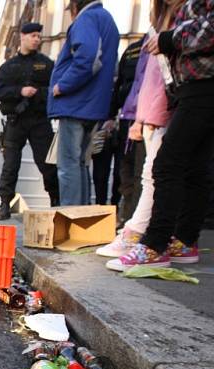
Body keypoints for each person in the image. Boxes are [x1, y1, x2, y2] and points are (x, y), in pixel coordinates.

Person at [114, 0, 214, 269]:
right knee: (195, 169)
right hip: (191, 89)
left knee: (167, 164)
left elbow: (209, 30)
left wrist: (169, 39)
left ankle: (155, 245)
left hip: (203, 87)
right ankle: (183, 240)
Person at [99, 0, 184, 265]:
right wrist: (137, 116)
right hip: (148, 109)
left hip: (162, 107)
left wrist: (152, 114)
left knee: (155, 174)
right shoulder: (156, 26)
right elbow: (143, 79)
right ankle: (138, 231)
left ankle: (142, 234)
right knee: (149, 174)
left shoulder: (177, 23)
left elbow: (166, 77)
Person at [48, 0, 119, 206]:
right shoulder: (107, 20)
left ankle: (70, 218)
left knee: (68, 164)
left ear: (75, 7)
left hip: (76, 103)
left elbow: (88, 59)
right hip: (93, 105)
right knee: (80, 164)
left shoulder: (86, 18)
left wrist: (62, 86)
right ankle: (81, 218)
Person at [0, 22, 59, 220]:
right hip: (16, 120)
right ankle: (5, 204)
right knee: (10, 164)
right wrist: (19, 92)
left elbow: (54, 88)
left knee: (47, 164)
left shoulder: (46, 64)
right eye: (33, 36)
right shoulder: (8, 67)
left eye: (39, 36)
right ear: (22, 36)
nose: (37, 39)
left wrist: (38, 93)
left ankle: (56, 201)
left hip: (39, 120)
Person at [111, 37, 148, 226]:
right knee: (124, 170)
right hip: (127, 115)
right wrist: (111, 115)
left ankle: (134, 221)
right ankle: (127, 218)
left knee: (140, 173)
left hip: (146, 116)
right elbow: (120, 85)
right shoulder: (133, 49)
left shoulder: (159, 44)